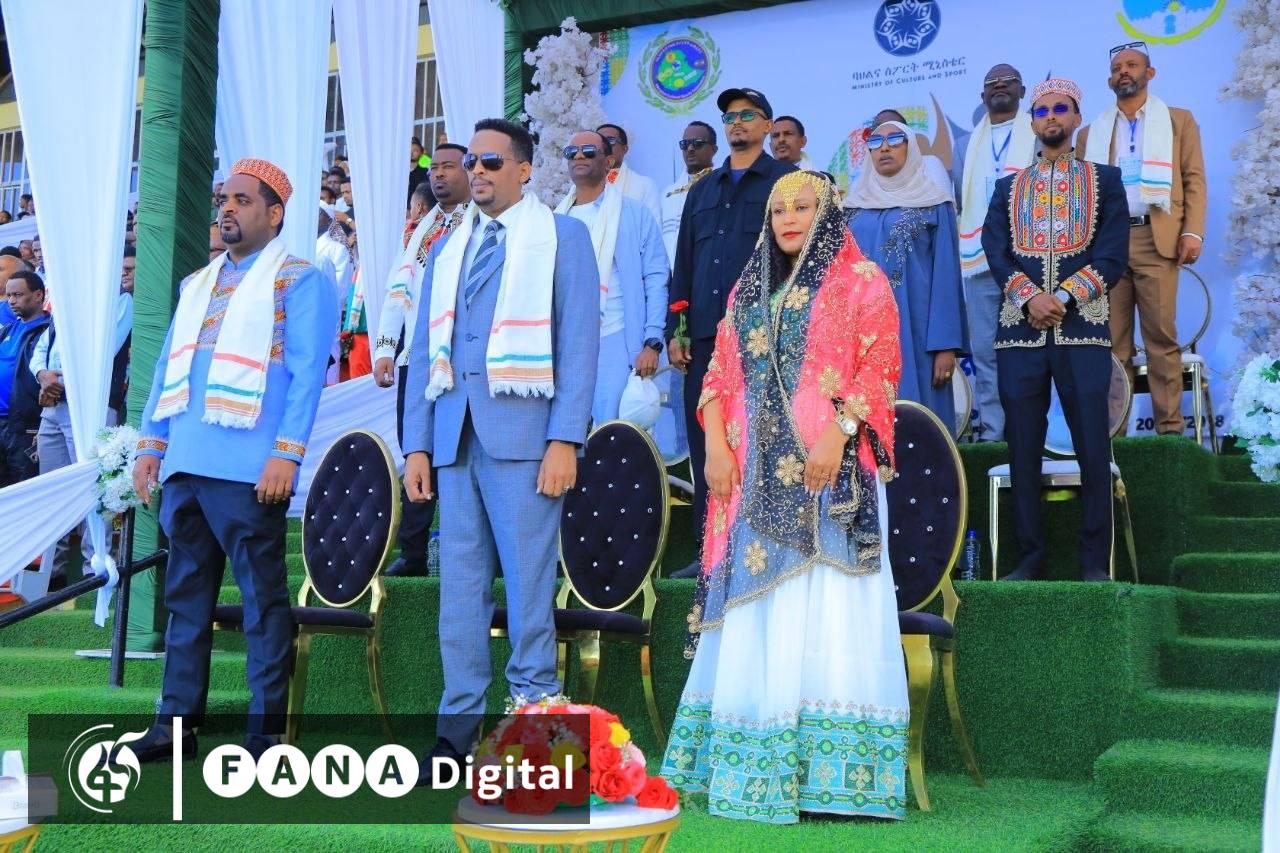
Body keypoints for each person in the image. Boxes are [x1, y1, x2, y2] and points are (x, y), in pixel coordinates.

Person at [660, 171, 908, 822]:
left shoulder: (863, 281)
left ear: (826, 213)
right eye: (778, 210)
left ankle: (835, 779)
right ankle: (751, 765)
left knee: (828, 605)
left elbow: (880, 370)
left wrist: (838, 432)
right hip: (750, 473)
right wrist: (714, 448)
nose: (789, 218)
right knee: (759, 609)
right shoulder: (749, 289)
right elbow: (717, 374)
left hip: (830, 473)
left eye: (802, 207)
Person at [402, 118, 597, 779]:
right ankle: (455, 734)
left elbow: (579, 342)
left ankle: (533, 730)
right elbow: (423, 351)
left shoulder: (562, 237)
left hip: (526, 440)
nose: (476, 172)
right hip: (454, 440)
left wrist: (565, 438)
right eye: (470, 163)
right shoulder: (447, 245)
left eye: (490, 162)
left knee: (528, 591)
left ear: (524, 170)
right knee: (458, 595)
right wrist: (417, 446)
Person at [128, 158, 338, 761]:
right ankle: (175, 726)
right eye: (224, 198)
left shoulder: (300, 280)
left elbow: (306, 377)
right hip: (186, 463)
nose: (227, 208)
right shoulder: (197, 283)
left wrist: (286, 455)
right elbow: (166, 368)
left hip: (251, 468)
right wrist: (151, 445)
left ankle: (265, 734)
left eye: (243, 200)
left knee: (261, 601)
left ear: (275, 214)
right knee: (184, 601)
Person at [981, 78, 1129, 582]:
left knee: (1092, 443)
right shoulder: (1008, 189)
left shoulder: (1105, 181)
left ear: (1076, 118)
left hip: (1082, 328)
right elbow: (996, 250)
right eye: (1041, 110)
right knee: (1023, 444)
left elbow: (1112, 254)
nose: (1050, 117)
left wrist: (1061, 298)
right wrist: (1030, 298)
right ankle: (1030, 557)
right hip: (1020, 332)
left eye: (1060, 108)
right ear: (1032, 122)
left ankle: (1093, 561)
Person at [666, 86, 795, 579]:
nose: (737, 123)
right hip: (703, 338)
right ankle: (710, 554)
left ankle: (764, 550)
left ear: (767, 126)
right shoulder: (703, 189)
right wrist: (676, 329)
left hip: (764, 336)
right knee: (707, 444)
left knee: (763, 440)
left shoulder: (786, 183)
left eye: (747, 115)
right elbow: (684, 263)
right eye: (729, 117)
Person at [1079, 42, 1207, 437]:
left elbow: (1193, 179)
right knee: (1111, 343)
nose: (1124, 72)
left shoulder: (1178, 120)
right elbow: (1083, 195)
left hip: (1157, 236)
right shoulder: (1091, 134)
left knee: (1160, 338)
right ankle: (1113, 435)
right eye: (1117, 67)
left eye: (1132, 65)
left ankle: (1170, 431)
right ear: (1109, 80)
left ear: (1149, 73)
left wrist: (1192, 231)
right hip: (1109, 243)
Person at [373, 143, 471, 579]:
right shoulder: (422, 228)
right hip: (416, 356)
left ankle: (465, 551)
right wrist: (384, 349)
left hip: (460, 357)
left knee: (458, 450)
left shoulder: (481, 222)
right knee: (416, 448)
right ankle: (413, 553)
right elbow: (398, 292)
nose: (439, 174)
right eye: (436, 168)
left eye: (450, 166)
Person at [845, 120, 968, 432]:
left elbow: (945, 276)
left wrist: (945, 345)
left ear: (911, 147)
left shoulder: (933, 203)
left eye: (895, 140)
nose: (884, 148)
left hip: (916, 331)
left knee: (918, 418)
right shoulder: (852, 208)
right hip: (860, 332)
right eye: (875, 142)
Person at [556, 129, 668, 424]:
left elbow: (656, 278)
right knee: (567, 431)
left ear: (608, 162)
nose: (579, 156)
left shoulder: (633, 214)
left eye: (589, 152)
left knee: (613, 432)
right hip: (566, 341)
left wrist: (652, 341)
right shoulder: (555, 219)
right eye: (572, 153)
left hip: (616, 339)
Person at [32, 278, 133, 582]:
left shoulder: (119, 298)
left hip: (92, 404)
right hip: (54, 405)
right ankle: (52, 573)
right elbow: (41, 349)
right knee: (52, 489)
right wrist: (43, 375)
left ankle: (95, 569)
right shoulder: (67, 299)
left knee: (94, 487)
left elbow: (103, 351)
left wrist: (55, 381)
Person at [956, 64, 1037, 442]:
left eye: (1008, 81)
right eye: (992, 83)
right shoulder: (963, 146)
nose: (1000, 85)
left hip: (1027, 260)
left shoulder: (1037, 136)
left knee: (1030, 348)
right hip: (980, 261)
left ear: (1022, 90)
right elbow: (961, 201)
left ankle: (1034, 430)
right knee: (986, 352)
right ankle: (993, 431)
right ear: (982, 96)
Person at [0, 271, 51, 487]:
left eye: (18, 295)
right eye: (9, 295)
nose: (11, 301)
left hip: (24, 426)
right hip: (2, 420)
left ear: (38, 295)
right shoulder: (7, 330)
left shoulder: (49, 330)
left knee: (24, 487)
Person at [661, 121, 717, 268]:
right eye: (685, 144)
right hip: (672, 275)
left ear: (714, 149)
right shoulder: (669, 193)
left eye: (698, 143)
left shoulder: (723, 186)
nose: (690, 149)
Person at [873, 109, 954, 203]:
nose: (885, 147)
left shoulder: (930, 165)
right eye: (877, 138)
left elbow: (945, 208)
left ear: (908, 139)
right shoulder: (865, 178)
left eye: (894, 137)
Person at [315, 204, 353, 385]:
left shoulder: (337, 249)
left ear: (329, 220)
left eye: (319, 213)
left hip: (327, 314)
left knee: (327, 363)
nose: (314, 217)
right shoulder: (301, 245)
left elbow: (341, 289)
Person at [597, 123, 663, 226]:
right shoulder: (582, 187)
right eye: (599, 143)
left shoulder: (645, 185)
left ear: (625, 149)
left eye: (610, 141)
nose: (604, 146)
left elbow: (653, 228)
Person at [407, 136, 432, 210]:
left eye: (415, 150)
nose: (411, 153)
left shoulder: (424, 170)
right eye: (409, 149)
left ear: (421, 152)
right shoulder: (400, 170)